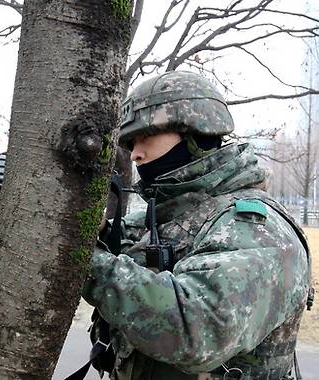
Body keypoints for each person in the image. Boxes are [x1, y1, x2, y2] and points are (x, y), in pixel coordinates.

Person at [81, 71, 313, 379]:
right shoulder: (166, 216)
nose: (135, 153)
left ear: (199, 136)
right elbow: (129, 252)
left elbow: (197, 330)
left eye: (146, 137)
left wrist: (80, 257)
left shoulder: (257, 230)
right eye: (132, 142)